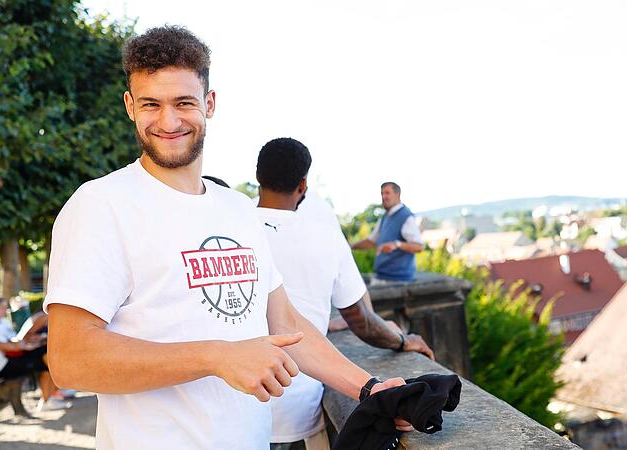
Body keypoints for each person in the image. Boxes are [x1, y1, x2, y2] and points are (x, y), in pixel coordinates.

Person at [44, 26, 409, 450]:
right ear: (129, 106)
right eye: (151, 104)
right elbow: (70, 360)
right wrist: (217, 356)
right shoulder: (100, 204)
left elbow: (287, 324)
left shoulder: (237, 209)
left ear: (209, 103)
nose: (168, 121)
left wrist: (369, 388)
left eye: (184, 102)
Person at [255, 138, 435, 450]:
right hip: (297, 410)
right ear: (302, 185)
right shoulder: (324, 235)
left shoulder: (236, 231)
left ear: (258, 178)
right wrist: (405, 341)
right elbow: (360, 320)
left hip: (237, 414)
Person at [0, 300, 69, 411]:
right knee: (44, 362)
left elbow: (10, 342)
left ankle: (49, 398)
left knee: (45, 356)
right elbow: (4, 346)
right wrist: (26, 346)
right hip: (2, 367)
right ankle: (49, 398)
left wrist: (30, 343)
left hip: (8, 360)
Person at [350, 182, 424, 283]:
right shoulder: (384, 217)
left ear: (397, 194)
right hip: (381, 276)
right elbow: (371, 241)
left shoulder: (406, 217)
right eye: (382, 193)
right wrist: (349, 246)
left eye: (387, 193)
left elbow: (419, 247)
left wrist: (397, 244)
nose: (384, 197)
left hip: (399, 281)